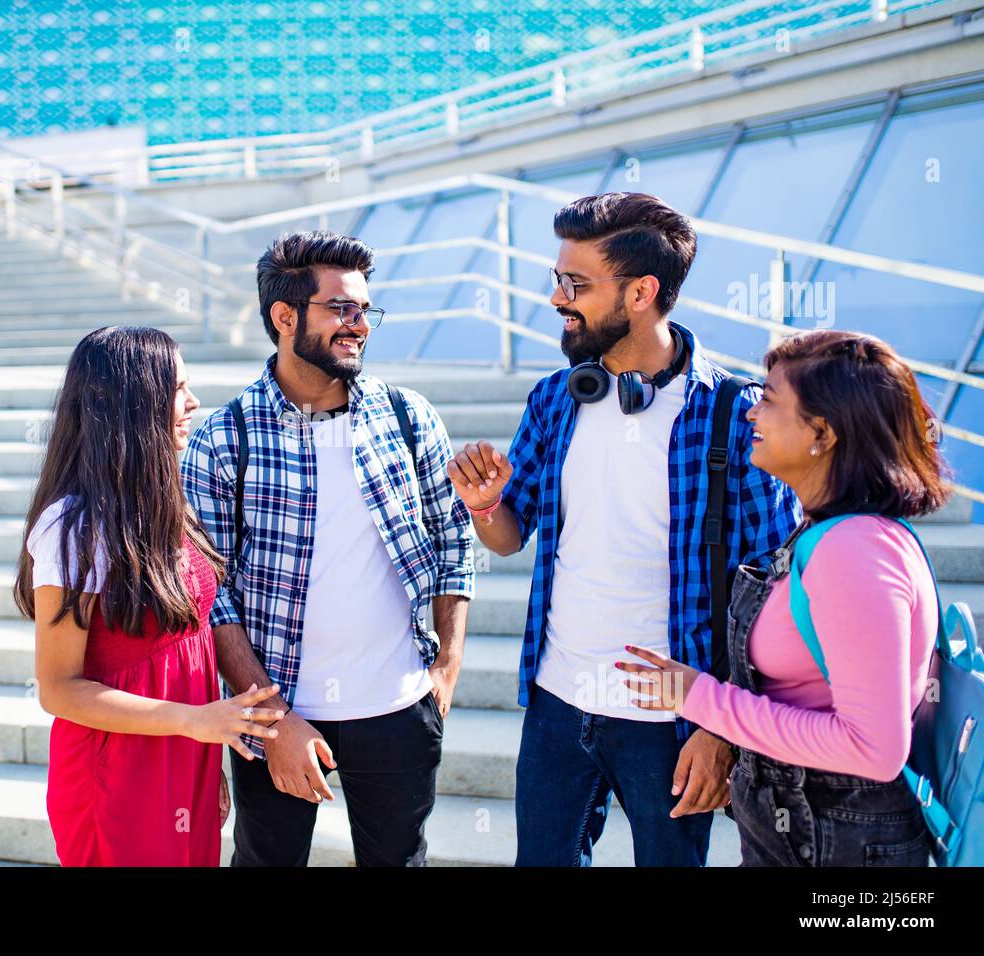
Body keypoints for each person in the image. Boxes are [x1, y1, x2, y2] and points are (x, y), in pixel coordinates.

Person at [448, 192, 800, 866]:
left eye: (575, 285)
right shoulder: (555, 398)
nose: (557, 299)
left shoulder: (734, 413)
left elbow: (771, 591)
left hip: (668, 725)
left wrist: (718, 726)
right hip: (556, 706)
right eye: (558, 280)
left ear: (641, 292)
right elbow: (508, 535)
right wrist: (485, 505)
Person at [181, 231, 476, 867]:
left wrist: (445, 669)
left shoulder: (408, 415)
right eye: (341, 309)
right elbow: (212, 599)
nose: (359, 325)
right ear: (284, 318)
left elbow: (453, 537)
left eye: (365, 309)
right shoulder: (223, 439)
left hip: (399, 709)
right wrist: (278, 720)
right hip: (275, 715)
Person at [617, 329, 947, 866]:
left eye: (769, 400)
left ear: (822, 432)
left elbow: (874, 749)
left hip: (837, 843)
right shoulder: (828, 533)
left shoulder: (854, 550)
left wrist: (699, 697)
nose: (751, 414)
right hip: (809, 830)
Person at [14, 326, 286, 867]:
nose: (193, 402)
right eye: (177, 388)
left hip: (182, 756)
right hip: (115, 770)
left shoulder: (166, 502)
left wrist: (200, 759)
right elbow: (58, 690)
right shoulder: (72, 527)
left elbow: (192, 646)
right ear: (132, 405)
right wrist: (193, 723)